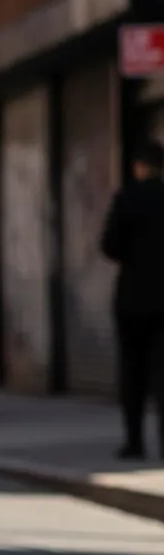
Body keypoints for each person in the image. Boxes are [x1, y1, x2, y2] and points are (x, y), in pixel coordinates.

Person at [101, 139, 164, 460]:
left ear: (139, 166)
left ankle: (135, 442)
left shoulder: (127, 198)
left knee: (134, 373)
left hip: (133, 299)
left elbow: (109, 246)